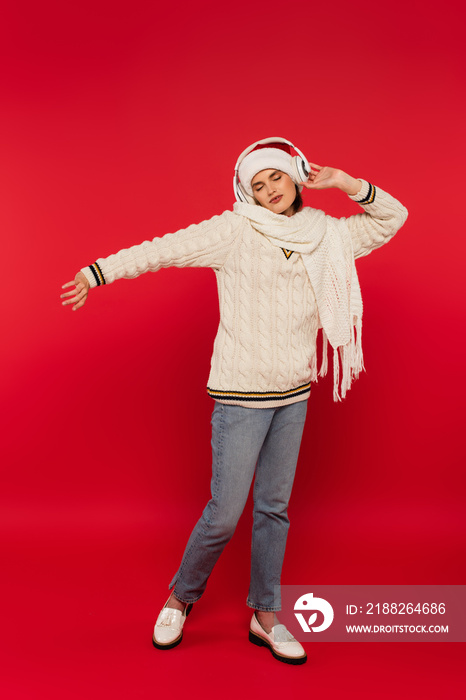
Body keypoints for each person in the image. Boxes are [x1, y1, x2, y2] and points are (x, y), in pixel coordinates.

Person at [61, 137, 408, 665]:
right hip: (241, 394)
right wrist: (97, 272)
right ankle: (181, 598)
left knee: (275, 508)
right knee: (224, 512)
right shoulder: (233, 230)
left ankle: (265, 615)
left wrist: (343, 182)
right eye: (256, 184)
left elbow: (392, 217)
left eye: (275, 177)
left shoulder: (327, 235)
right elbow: (163, 248)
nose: (268, 189)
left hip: (295, 391)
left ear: (296, 174)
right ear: (245, 192)